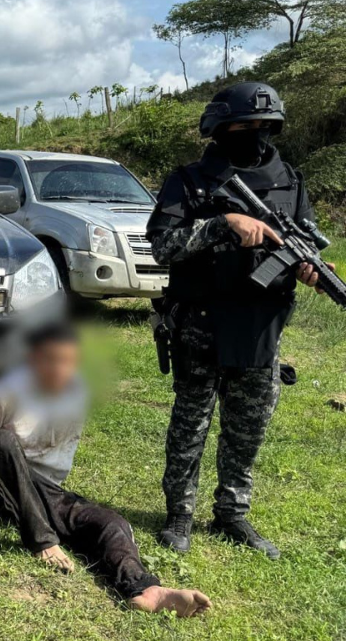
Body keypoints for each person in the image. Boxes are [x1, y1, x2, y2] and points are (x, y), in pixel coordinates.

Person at [148, 82, 332, 560]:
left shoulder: (290, 180)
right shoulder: (189, 180)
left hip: (259, 330)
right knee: (190, 424)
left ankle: (233, 514)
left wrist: (311, 272)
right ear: (219, 128)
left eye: (262, 128)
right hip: (200, 323)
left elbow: (304, 246)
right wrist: (221, 224)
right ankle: (179, 515)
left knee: (247, 429)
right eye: (242, 127)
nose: (253, 135)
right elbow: (162, 247)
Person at [0, 324, 212, 617]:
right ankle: (41, 540)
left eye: (68, 361)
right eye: (50, 359)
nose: (60, 369)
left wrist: (46, 499)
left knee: (108, 521)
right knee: (3, 442)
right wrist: (16, 484)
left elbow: (57, 460)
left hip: (42, 491)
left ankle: (145, 589)